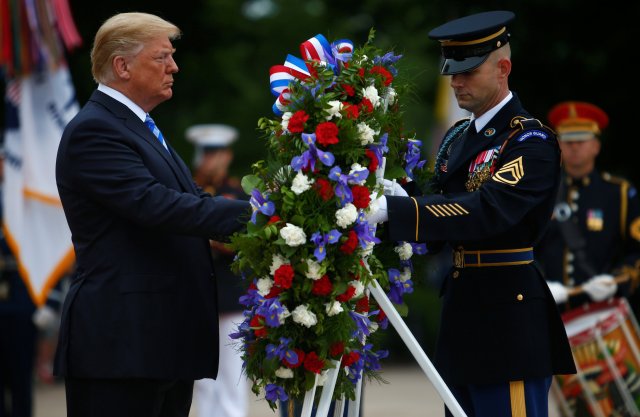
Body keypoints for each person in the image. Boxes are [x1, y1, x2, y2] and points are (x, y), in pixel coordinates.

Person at [367, 10, 576, 417]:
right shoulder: (460, 136)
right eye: (452, 70)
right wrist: (398, 195)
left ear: (503, 69)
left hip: (508, 322)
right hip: (463, 314)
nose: (456, 81)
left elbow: (487, 210)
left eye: (468, 71)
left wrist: (400, 209)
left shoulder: (529, 140)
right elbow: (439, 208)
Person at [53, 12, 250, 417]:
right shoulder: (96, 129)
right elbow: (156, 204)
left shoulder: (138, 126)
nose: (174, 67)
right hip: (121, 346)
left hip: (156, 343)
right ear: (122, 66)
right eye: (162, 57)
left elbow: (193, 198)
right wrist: (262, 217)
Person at [537, 101, 640, 311]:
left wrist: (614, 282)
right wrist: (537, 285)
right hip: (549, 311)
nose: (574, 147)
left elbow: (636, 252)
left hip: (602, 312)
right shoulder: (540, 192)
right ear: (559, 145)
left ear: (596, 146)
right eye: (568, 141)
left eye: (581, 140)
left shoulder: (619, 193)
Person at [185, 124, 249, 417]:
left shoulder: (235, 192)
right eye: (206, 154)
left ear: (227, 155)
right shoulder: (190, 189)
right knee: (202, 379)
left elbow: (241, 240)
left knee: (231, 377)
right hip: (198, 296)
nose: (210, 160)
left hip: (230, 296)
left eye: (216, 153)